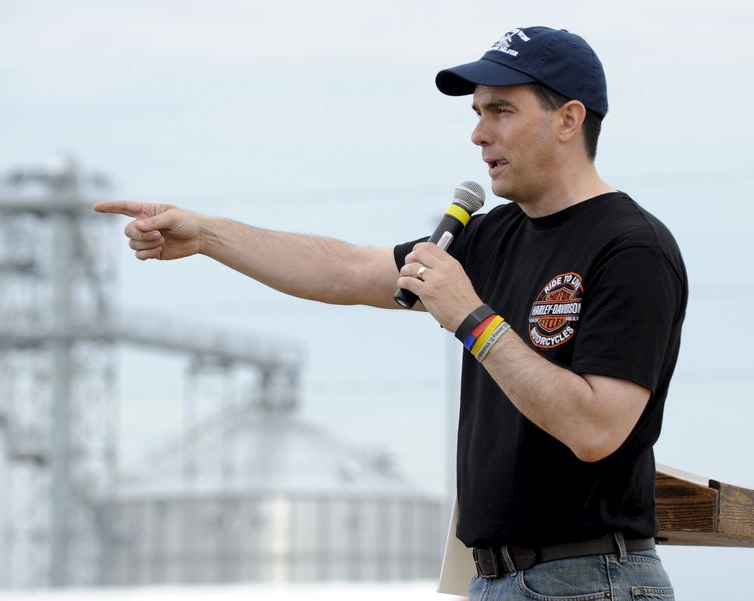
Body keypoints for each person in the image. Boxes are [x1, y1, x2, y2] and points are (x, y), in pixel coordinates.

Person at [95, 25, 686, 601]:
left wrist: (471, 319)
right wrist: (206, 234)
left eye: (501, 111)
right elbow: (348, 270)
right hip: (495, 580)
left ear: (569, 120)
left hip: (589, 582)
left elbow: (596, 429)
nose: (479, 135)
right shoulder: (490, 237)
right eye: (476, 112)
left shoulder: (631, 248)